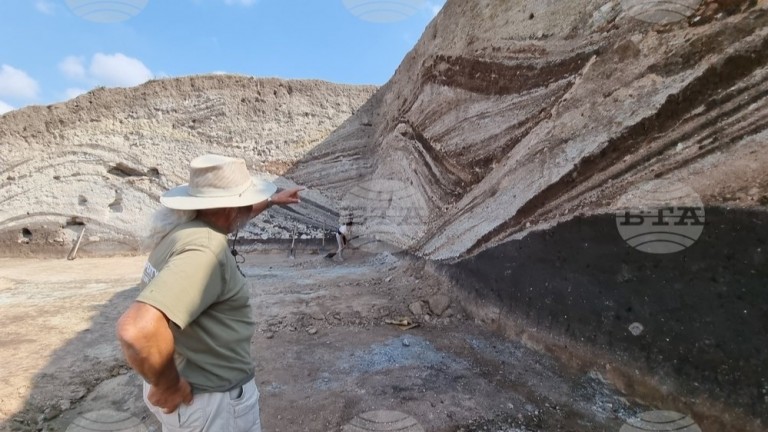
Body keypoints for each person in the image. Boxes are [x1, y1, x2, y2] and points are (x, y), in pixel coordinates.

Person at [116, 154, 303, 432]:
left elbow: (235, 217)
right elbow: (137, 329)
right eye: (243, 202)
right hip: (213, 404)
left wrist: (272, 201)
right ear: (229, 209)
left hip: (201, 399)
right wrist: (168, 385)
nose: (246, 209)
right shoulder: (205, 250)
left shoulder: (186, 231)